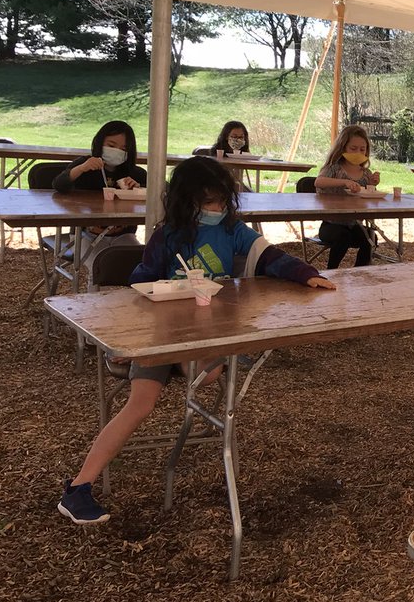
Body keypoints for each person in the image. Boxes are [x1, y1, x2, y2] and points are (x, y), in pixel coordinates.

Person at [57, 156, 335, 524]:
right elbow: (139, 281)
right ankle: (79, 487)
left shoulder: (233, 230)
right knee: (141, 404)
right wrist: (154, 306)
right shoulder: (166, 234)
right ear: (186, 201)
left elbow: (268, 255)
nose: (218, 209)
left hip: (204, 336)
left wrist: (305, 273)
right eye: (209, 203)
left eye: (222, 201)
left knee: (210, 371)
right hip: (160, 334)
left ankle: (211, 368)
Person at [52, 120, 147, 284]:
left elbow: (161, 192)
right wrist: (81, 168)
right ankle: (96, 305)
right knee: (101, 266)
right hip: (84, 236)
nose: (117, 151)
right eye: (111, 144)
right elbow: (59, 184)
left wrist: (138, 191)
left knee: (137, 263)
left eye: (124, 149)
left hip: (123, 235)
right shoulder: (85, 165)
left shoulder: (135, 173)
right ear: (100, 142)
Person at [314, 124, 381, 269]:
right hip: (330, 225)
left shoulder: (365, 173)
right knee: (343, 237)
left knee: (371, 238)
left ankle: (359, 271)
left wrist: (372, 183)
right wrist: (344, 182)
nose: (358, 152)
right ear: (343, 147)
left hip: (355, 224)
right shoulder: (333, 168)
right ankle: (331, 271)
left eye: (362, 149)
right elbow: (319, 181)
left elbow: (369, 194)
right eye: (353, 148)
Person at [212, 120, 252, 191]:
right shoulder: (217, 152)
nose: (238, 140)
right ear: (226, 136)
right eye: (234, 136)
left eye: (241, 137)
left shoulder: (243, 152)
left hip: (236, 185)